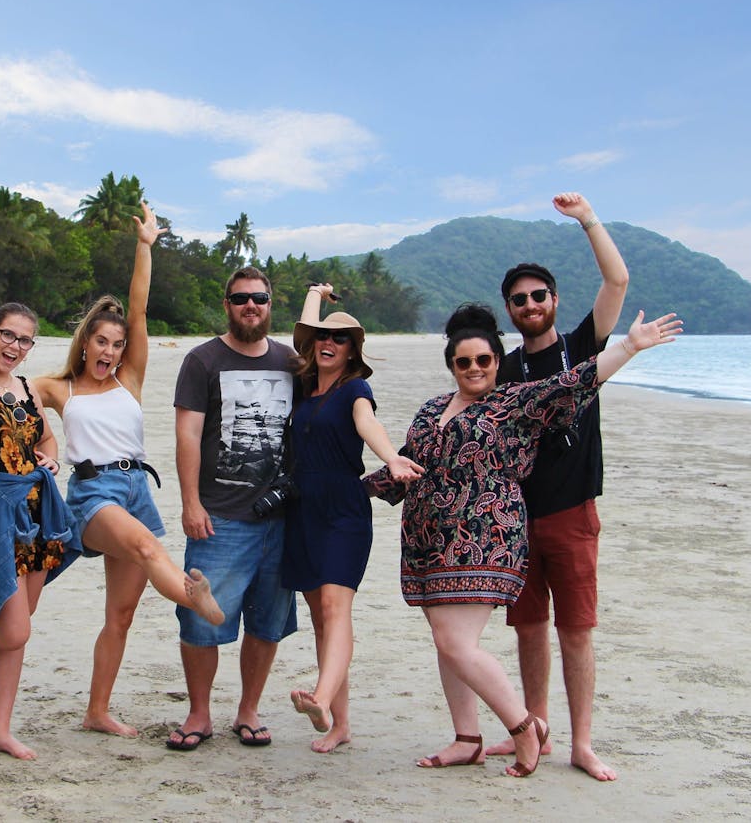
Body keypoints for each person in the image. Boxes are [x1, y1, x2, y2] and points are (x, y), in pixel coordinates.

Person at [0, 181, 223, 757]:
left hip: (45, 507)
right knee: (14, 625)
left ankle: (8, 728)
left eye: (25, 339)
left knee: (59, 624)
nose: (17, 346)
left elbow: (44, 427)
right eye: (7, 336)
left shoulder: (27, 385)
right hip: (15, 507)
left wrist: (47, 450)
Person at [365, 302, 680, 777]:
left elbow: (576, 380)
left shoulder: (515, 403)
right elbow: (408, 464)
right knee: (445, 641)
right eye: (463, 362)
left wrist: (630, 347)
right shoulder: (431, 410)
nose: (474, 368)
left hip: (484, 538)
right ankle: (466, 739)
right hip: (427, 542)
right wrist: (351, 490)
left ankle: (524, 727)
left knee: (456, 642)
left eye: (484, 360)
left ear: (498, 362)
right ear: (452, 365)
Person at [484, 192, 628, 781]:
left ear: (553, 300)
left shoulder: (581, 348)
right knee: (528, 630)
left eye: (538, 296)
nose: (529, 305)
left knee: (576, 630)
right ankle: (535, 730)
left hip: (571, 512)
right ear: (510, 312)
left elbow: (617, 281)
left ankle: (583, 743)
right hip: (518, 516)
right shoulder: (506, 369)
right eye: (518, 301)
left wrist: (589, 220)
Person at [283, 284, 423, 753]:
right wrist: (313, 294)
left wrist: (392, 459)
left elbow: (368, 424)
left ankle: (321, 700)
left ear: (351, 351)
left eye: (339, 340)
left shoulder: (355, 389)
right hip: (302, 507)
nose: (328, 343)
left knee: (335, 607)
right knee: (320, 617)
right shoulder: (304, 386)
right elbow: (302, 333)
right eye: (322, 337)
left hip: (343, 507)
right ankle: (340, 724)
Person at [167, 266, 298, 751]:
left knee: (268, 619)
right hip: (219, 516)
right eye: (241, 298)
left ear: (270, 305)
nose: (250, 306)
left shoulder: (290, 362)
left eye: (259, 299)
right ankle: (199, 712)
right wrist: (190, 502)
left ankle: (248, 710)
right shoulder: (202, 360)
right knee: (200, 618)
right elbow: (188, 435)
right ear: (227, 304)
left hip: (281, 519)